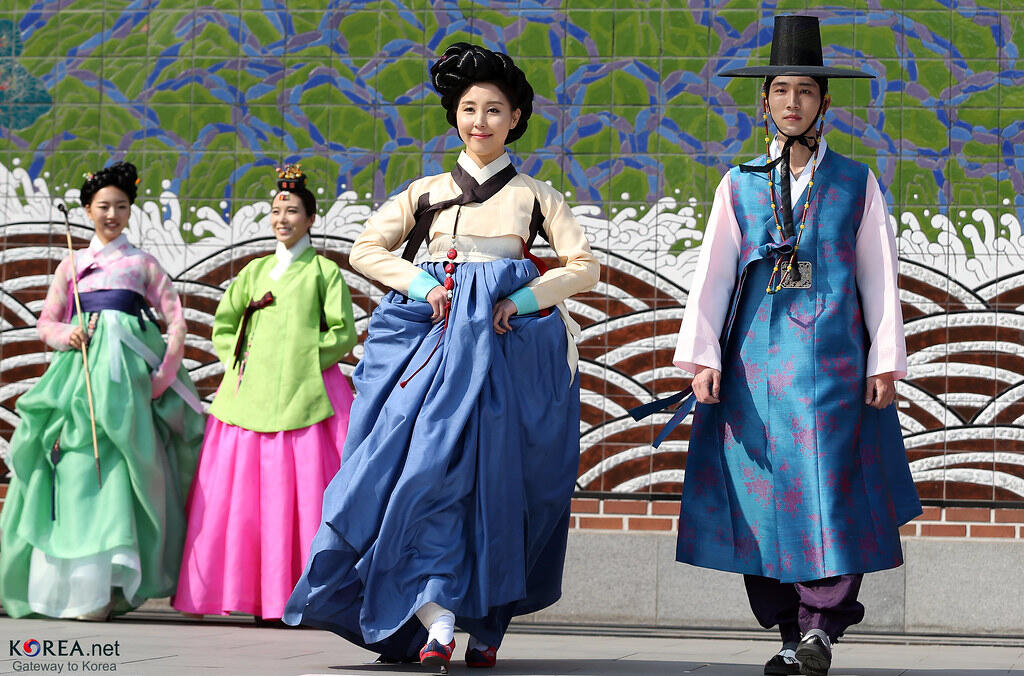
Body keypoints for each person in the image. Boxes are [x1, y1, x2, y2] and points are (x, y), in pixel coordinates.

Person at [283, 42, 599, 672]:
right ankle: (435, 613)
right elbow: (366, 249)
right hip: (433, 345)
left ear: (516, 119)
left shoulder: (538, 195)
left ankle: (482, 620)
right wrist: (424, 285)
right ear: (455, 117)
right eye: (468, 108)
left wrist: (527, 296)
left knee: (505, 486)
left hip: (507, 356)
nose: (479, 120)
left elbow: (585, 266)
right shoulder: (424, 192)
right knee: (420, 472)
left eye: (494, 109)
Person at [633, 16, 921, 676]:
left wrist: (885, 362)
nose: (792, 102)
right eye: (781, 91)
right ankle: (790, 632)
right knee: (762, 498)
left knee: (834, 496)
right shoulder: (738, 183)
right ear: (764, 101)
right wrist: (702, 358)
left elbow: (879, 275)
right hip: (754, 372)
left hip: (836, 370)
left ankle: (822, 628)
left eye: (806, 91)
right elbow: (713, 273)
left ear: (825, 103)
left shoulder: (855, 183)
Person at [0, 161, 204, 620]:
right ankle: (65, 587)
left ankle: (113, 585)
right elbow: (46, 321)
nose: (112, 214)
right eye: (103, 206)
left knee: (120, 474)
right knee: (73, 469)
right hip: (79, 380)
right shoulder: (71, 264)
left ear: (130, 211)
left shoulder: (143, 264)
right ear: (88, 210)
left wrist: (160, 381)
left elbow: (175, 322)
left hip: (129, 388)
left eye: (121, 206)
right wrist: (64, 335)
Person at [173, 164, 357, 621]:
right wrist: (237, 360)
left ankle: (302, 596)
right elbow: (225, 324)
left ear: (310, 219)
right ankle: (251, 595)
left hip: (306, 395)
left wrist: (306, 356)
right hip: (247, 395)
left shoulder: (323, 273)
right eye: (276, 211)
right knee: (241, 502)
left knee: (304, 499)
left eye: (292, 210)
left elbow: (343, 332)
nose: (282, 218)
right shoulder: (254, 272)